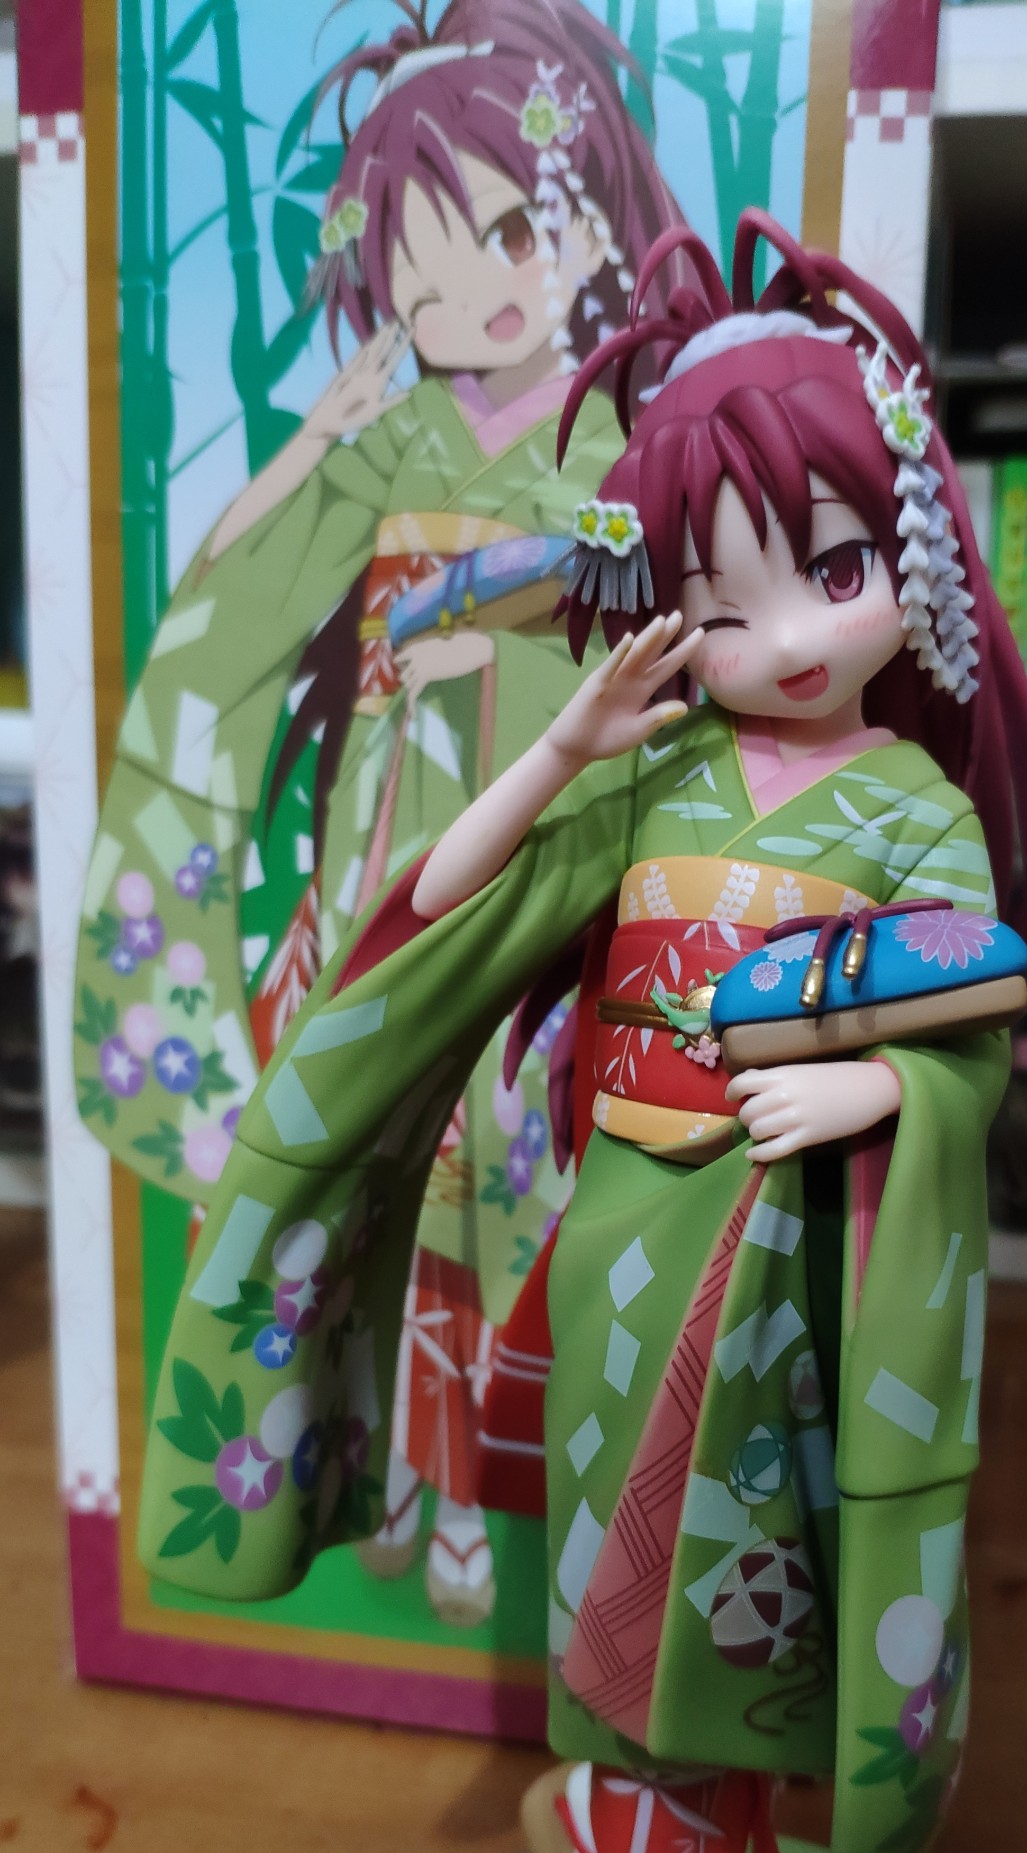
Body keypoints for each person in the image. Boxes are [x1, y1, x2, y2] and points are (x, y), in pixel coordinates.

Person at [136, 210, 1027, 1853]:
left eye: (836, 570)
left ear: (911, 561)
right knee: (629, 1608)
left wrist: (887, 1094)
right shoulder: (654, 775)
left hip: (805, 1274)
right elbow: (442, 910)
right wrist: (559, 748)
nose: (786, 639)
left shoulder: (912, 807)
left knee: (759, 1606)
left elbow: (974, 1025)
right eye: (725, 603)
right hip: (631, 1246)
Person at [73, 0, 693, 1625]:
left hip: (550, 875)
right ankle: (385, 1472)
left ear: (587, 229)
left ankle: (495, 1495)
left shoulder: (626, 446)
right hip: (386, 872)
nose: (459, 293)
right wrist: (306, 456)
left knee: (520, 1169)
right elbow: (231, 618)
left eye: (501, 236)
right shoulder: (390, 440)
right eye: (415, 268)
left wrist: (514, 660)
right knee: (371, 1174)